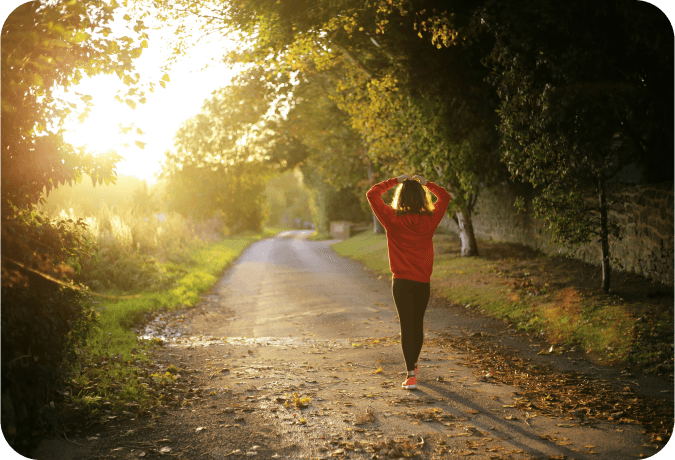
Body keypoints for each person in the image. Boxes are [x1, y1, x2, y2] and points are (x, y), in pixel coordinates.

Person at [366, 174, 451, 390]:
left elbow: (372, 194)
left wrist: (395, 180)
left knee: (407, 325)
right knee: (417, 324)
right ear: (422, 198)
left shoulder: (392, 218)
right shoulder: (430, 219)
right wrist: (427, 183)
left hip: (401, 282)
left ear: (400, 197)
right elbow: (445, 196)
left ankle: (411, 375)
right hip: (422, 281)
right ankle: (413, 364)